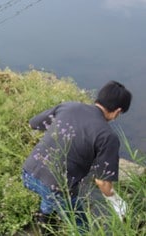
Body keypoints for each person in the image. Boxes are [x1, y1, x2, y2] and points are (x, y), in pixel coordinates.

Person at [22, 81, 132, 231]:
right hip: (57, 188)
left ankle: (43, 223)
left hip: (28, 174)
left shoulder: (69, 106)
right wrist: (118, 204)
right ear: (118, 111)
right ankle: (50, 222)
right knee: (83, 227)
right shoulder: (108, 136)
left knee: (49, 195)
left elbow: (33, 124)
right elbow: (102, 182)